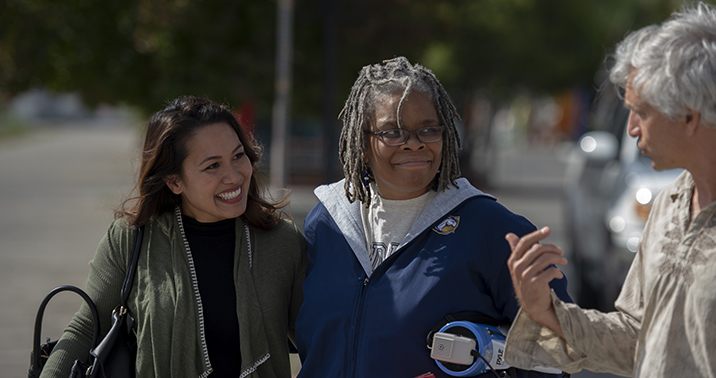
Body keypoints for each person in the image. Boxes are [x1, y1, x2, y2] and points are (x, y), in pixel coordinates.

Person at [503, 3, 716, 377]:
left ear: (689, 116)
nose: (631, 128)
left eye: (641, 111)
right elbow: (639, 339)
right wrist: (545, 311)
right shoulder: (670, 203)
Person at [295, 56, 573, 378]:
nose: (414, 144)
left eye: (428, 129)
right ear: (362, 142)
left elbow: (557, 358)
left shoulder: (494, 230)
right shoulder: (327, 223)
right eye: (393, 132)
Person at [41, 96, 306, 378]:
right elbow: (86, 328)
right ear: (174, 181)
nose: (234, 176)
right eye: (212, 166)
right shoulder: (130, 239)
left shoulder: (282, 241)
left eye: (238, 156)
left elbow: (321, 338)